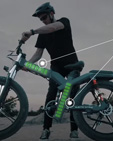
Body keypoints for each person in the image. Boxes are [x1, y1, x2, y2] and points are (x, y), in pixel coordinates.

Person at [21, 2, 80, 140]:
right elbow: (38, 53)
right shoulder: (43, 34)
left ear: (52, 14)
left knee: (73, 95)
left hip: (72, 64)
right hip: (56, 67)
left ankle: (74, 130)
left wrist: (32, 31)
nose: (43, 21)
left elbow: (54, 27)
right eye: (41, 19)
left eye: (44, 18)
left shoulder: (63, 22)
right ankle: (46, 129)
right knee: (51, 95)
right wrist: (28, 64)